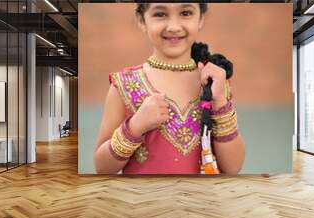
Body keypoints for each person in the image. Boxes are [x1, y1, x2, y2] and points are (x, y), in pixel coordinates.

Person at [94, 3, 245, 174]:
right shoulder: (124, 84)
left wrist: (219, 105)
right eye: (160, 14)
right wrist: (135, 127)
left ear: (200, 19)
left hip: (201, 200)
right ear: (141, 20)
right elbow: (102, 167)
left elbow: (233, 168)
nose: (173, 27)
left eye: (186, 13)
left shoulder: (213, 82)